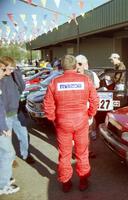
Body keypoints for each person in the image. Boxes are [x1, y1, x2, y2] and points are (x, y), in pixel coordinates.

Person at [43, 55, 99, 192]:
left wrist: (54, 119)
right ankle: (83, 180)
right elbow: (95, 100)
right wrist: (90, 114)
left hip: (63, 123)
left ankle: (66, 182)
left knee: (65, 155)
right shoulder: (85, 80)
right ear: (75, 66)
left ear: (62, 67)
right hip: (81, 121)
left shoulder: (55, 82)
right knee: (82, 153)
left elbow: (47, 105)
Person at [0, 56, 35, 165]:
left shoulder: (14, 76)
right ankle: (10, 158)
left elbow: (22, 87)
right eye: (9, 69)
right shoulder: (1, 78)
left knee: (24, 135)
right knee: (7, 139)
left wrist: (17, 73)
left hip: (17, 112)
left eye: (12, 69)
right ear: (3, 67)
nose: (10, 71)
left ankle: (26, 154)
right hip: (5, 114)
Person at [0, 60, 19, 195]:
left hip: (3, 121)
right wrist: (3, 126)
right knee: (8, 153)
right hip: (2, 124)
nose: (5, 73)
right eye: (2, 70)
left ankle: (3, 178)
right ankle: (2, 185)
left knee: (3, 152)